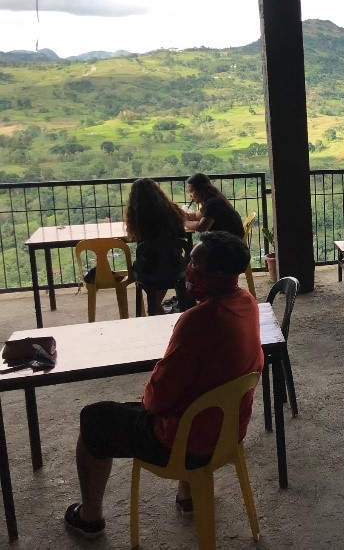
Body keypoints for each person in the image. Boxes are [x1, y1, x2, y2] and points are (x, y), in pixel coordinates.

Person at [64, 231, 264, 538]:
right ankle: (189, 496)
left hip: (186, 444)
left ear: (218, 272)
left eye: (195, 262)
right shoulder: (247, 303)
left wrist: (150, 393)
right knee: (199, 394)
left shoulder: (198, 320)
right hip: (228, 433)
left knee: (95, 418)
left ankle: (89, 518)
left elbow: (155, 401)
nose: (187, 268)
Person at [124, 178, 188, 315]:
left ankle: (154, 307)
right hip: (175, 266)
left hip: (149, 270)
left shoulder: (137, 219)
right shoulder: (172, 211)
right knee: (164, 268)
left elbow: (137, 240)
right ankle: (156, 306)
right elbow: (182, 235)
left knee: (151, 270)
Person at [184, 173, 244, 238]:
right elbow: (196, 216)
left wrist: (184, 222)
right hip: (229, 239)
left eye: (192, 191)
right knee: (193, 246)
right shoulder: (212, 199)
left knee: (193, 246)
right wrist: (184, 215)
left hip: (230, 243)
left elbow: (201, 227)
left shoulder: (213, 202)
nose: (190, 195)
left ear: (201, 189)